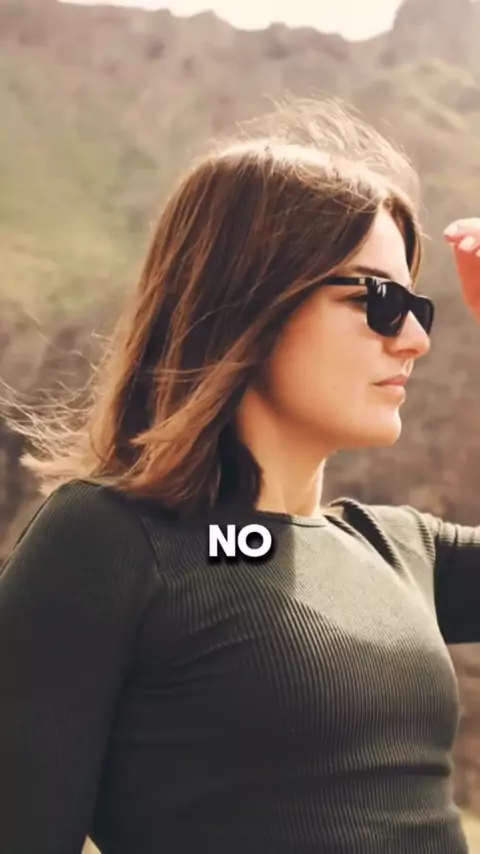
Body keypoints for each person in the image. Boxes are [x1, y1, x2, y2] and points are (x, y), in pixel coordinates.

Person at [1, 99, 480, 854]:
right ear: (250, 300)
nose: (416, 338)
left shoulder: (403, 552)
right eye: (379, 301)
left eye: (418, 305)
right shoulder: (111, 543)